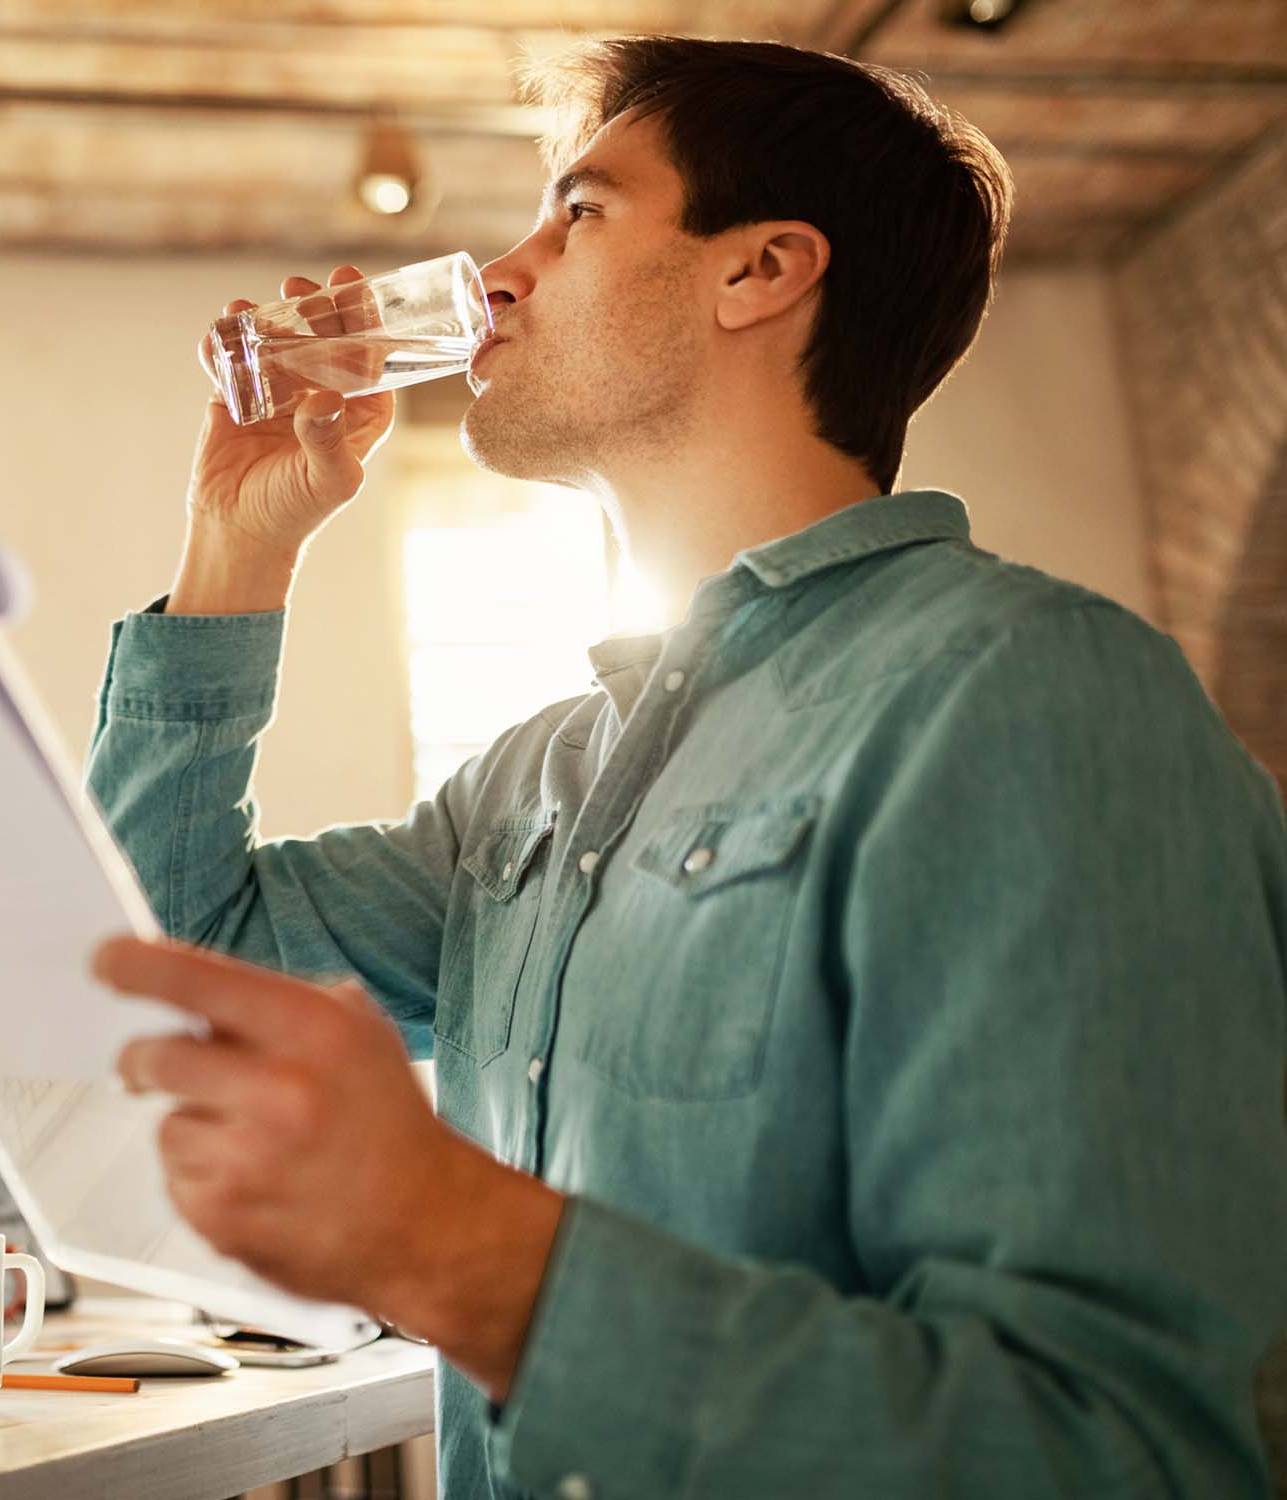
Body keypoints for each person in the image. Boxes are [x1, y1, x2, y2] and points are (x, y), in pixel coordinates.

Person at [84, 35, 1287, 1498]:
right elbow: (159, 965)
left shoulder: (1036, 697)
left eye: (578, 212)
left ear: (761, 270)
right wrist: (238, 546)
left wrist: (459, 1245)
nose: (500, 273)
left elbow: (1112, 1453)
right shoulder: (532, 786)